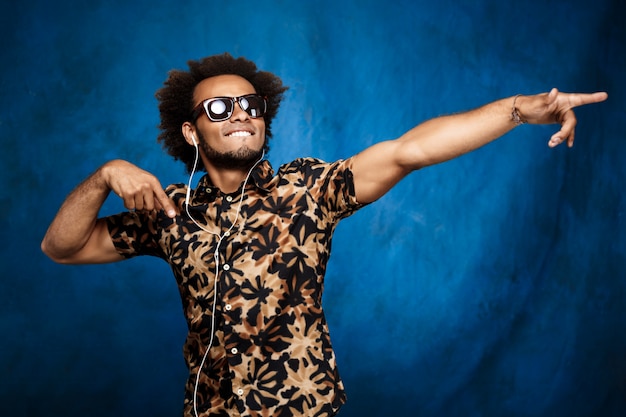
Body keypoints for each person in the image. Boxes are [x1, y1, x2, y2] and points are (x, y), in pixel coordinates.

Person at [41, 52, 608, 417]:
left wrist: (516, 110)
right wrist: (106, 174)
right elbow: (61, 246)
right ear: (191, 131)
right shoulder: (169, 211)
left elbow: (409, 150)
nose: (240, 114)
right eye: (220, 107)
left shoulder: (309, 189)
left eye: (250, 105)